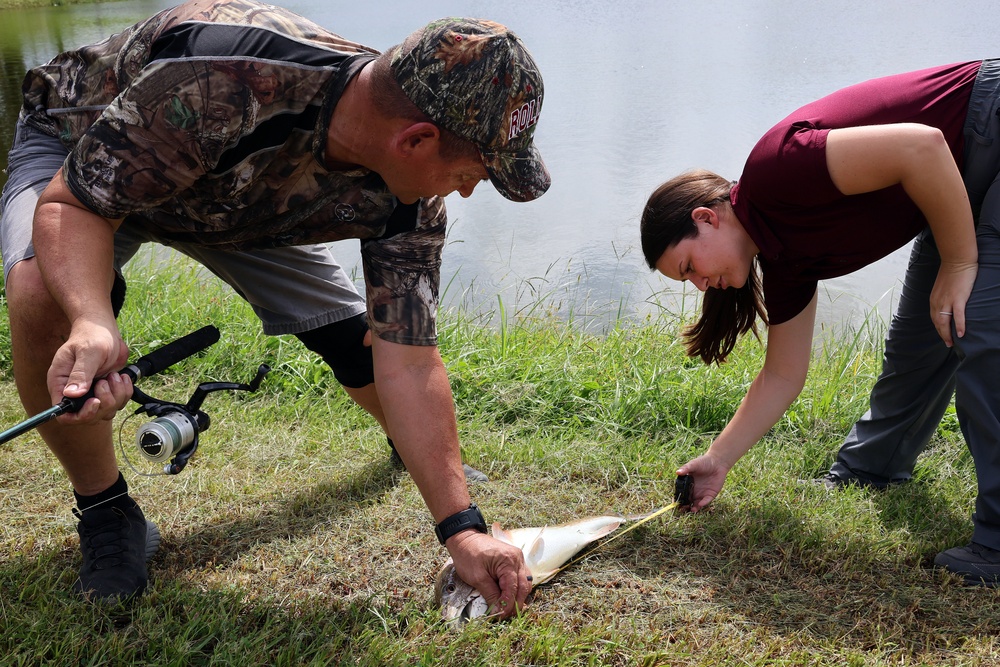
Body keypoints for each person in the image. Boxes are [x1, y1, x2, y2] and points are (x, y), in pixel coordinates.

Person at [0, 0, 549, 609]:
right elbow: (73, 205)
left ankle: (412, 448)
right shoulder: (223, 78)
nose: (470, 187)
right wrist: (92, 319)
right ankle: (107, 514)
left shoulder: (410, 200)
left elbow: (411, 360)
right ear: (416, 139)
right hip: (84, 155)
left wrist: (462, 527)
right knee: (39, 290)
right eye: (476, 170)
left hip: (243, 196)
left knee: (356, 340)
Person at [640, 58, 1000, 586]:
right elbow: (783, 376)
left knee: (984, 335)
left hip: (985, 128)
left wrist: (960, 262)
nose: (700, 286)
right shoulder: (783, 259)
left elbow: (921, 146)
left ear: (705, 218)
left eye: (690, 267)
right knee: (920, 343)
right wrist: (717, 460)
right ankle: (869, 470)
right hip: (949, 182)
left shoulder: (777, 170)